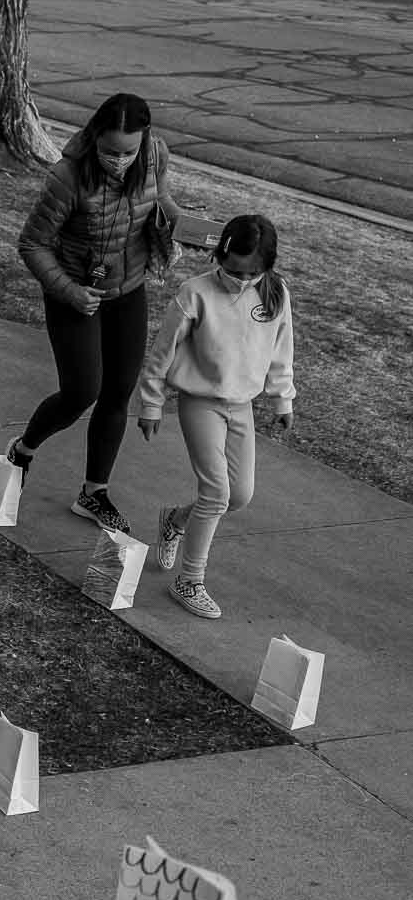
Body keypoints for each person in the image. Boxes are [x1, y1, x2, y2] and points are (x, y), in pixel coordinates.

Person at [7, 93, 180, 534]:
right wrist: (69, 291)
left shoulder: (154, 153)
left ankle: (93, 492)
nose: (119, 160)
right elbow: (32, 244)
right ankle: (23, 450)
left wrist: (172, 230)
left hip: (129, 288)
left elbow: (161, 198)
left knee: (117, 393)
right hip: (75, 291)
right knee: (81, 391)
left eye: (129, 151)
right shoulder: (68, 176)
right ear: (94, 137)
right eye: (110, 151)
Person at [136, 214, 295, 619]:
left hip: (241, 406)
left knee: (238, 496)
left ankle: (175, 521)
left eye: (253, 273)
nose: (242, 279)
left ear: (267, 267)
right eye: (234, 270)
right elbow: (162, 353)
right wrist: (152, 403)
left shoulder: (275, 295)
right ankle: (190, 580)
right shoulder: (195, 293)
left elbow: (280, 351)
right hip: (199, 402)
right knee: (217, 493)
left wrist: (282, 400)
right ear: (221, 253)